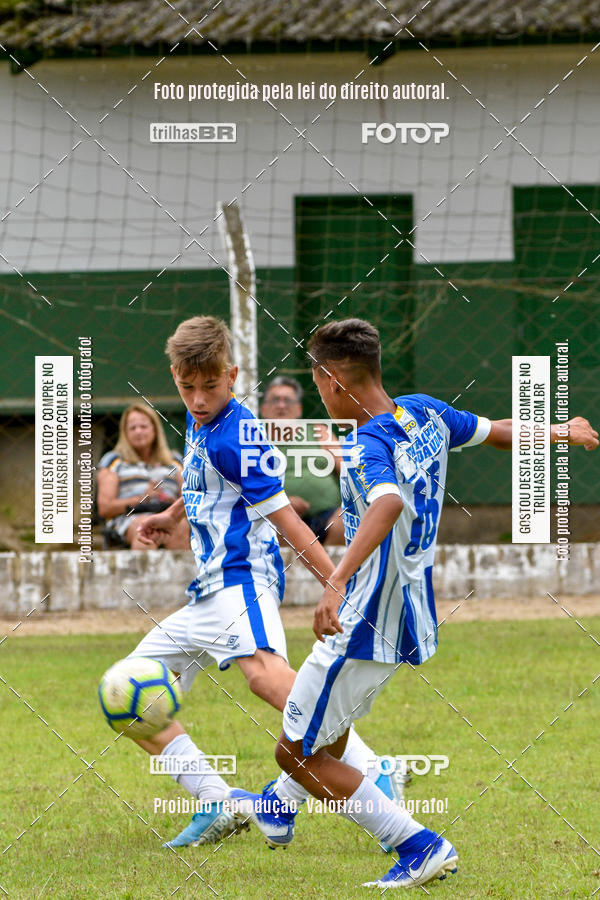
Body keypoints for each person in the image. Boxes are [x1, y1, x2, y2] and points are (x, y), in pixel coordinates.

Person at [228, 318, 599, 889]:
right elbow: (495, 431)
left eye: (315, 380)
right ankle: (279, 806)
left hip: (367, 616)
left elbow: (387, 504)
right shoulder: (422, 411)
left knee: (296, 753)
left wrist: (335, 582)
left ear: (330, 381)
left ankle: (418, 845)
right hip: (410, 611)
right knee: (324, 725)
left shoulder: (366, 442)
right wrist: (558, 433)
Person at [112, 316, 406, 849]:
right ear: (175, 376)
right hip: (207, 590)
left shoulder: (241, 434)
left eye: (210, 386)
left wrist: (334, 582)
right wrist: (172, 517)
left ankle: (372, 767)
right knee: (125, 693)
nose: (198, 398)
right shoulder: (203, 423)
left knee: (267, 679)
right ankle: (218, 803)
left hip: (241, 579)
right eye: (186, 386)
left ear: (233, 374)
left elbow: (288, 522)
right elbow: (206, 477)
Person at [260, 376, 345, 545]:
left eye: (288, 401)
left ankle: (331, 571)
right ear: (263, 409)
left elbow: (348, 472)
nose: (281, 406)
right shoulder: (255, 442)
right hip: (279, 519)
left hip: (328, 519)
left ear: (299, 409)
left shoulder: (319, 432)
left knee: (345, 521)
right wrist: (283, 504)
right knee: (269, 526)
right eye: (275, 400)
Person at [97, 403, 190, 550]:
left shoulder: (174, 461)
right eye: (132, 428)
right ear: (125, 433)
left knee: (181, 526)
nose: (138, 431)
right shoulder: (114, 461)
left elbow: (188, 496)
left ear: (155, 429)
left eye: (143, 426)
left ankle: (182, 574)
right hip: (130, 519)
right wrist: (141, 499)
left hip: (170, 515)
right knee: (145, 529)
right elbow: (105, 507)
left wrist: (174, 504)